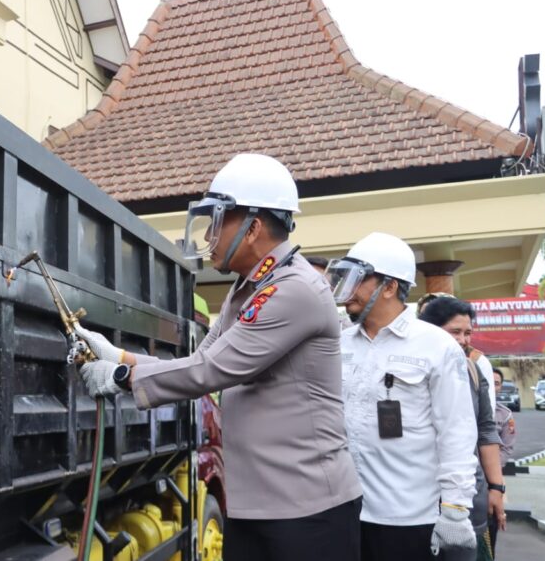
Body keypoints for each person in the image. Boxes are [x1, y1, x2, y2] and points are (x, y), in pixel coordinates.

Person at [75, 153, 362, 561]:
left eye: (217, 220)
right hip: (260, 505)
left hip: (306, 511)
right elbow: (202, 358)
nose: (209, 234)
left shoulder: (294, 289)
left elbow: (210, 371)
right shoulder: (248, 289)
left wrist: (120, 377)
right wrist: (119, 355)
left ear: (253, 228)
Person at [327, 232, 478, 561]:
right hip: (347, 512)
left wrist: (455, 509)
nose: (347, 290)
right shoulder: (340, 344)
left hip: (411, 518)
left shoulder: (436, 346)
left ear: (390, 287)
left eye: (358, 279)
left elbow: (457, 432)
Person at [419, 297, 507, 561]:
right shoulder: (409, 368)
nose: (463, 340)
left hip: (469, 496)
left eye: (467, 332)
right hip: (418, 495)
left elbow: (486, 429)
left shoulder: (473, 370)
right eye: (454, 331)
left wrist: (496, 487)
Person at [491, 367, 516, 557]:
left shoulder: (505, 414)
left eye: (497, 383)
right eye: (488, 382)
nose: (492, 386)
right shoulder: (463, 409)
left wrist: (490, 468)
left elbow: (507, 448)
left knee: (491, 527)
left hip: (492, 480)